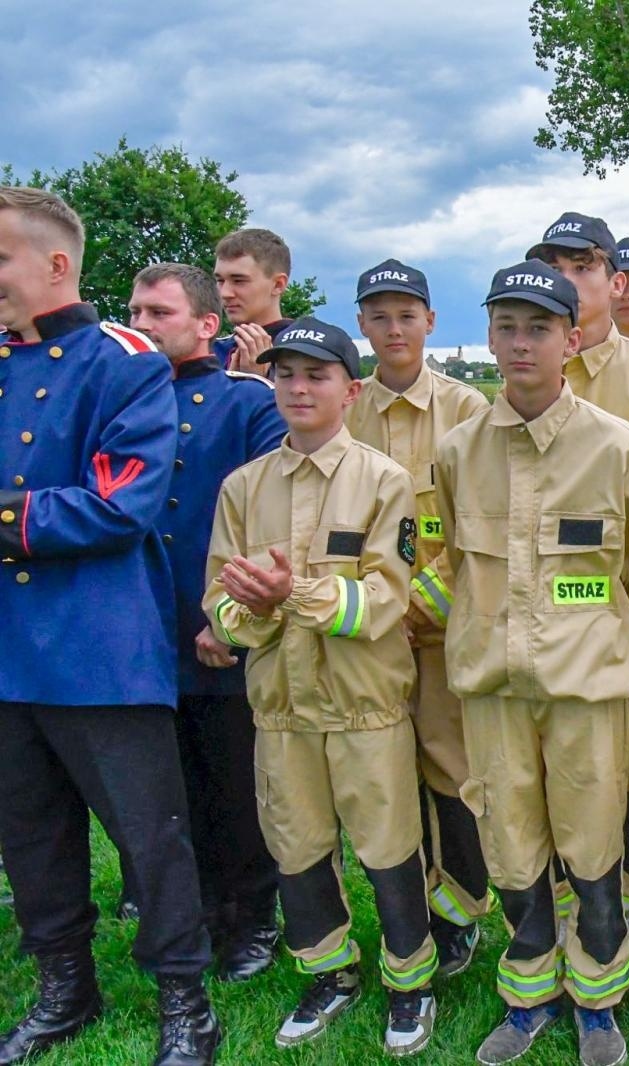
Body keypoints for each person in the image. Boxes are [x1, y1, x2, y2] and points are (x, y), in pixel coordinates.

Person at [0, 186, 218, 1066]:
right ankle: (66, 986)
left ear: (55, 264)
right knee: (31, 836)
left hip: (98, 648)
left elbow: (119, 502)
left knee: (150, 836)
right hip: (8, 651)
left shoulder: (124, 360)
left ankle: (184, 1002)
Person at [438, 260, 629, 1066]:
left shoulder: (619, 449)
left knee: (592, 837)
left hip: (585, 684)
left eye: (539, 327)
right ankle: (528, 990)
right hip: (493, 684)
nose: (521, 342)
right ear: (490, 338)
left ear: (572, 339)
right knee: (511, 835)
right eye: (507, 326)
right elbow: (453, 564)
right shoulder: (459, 452)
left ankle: (599, 996)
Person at [203, 318, 439, 1056]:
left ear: (351, 389)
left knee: (389, 844)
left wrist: (291, 596)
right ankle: (329, 971)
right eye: (284, 375)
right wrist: (250, 613)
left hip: (366, 707)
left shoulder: (383, 481)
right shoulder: (244, 488)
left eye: (317, 375)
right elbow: (220, 605)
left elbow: (384, 602)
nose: (298, 388)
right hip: (281, 711)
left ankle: (411, 980)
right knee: (297, 845)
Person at [528, 211, 629, 976]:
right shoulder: (523, 376)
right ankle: (573, 905)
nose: (568, 279)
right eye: (551, 265)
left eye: (583, 265)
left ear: (615, 282)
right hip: (553, 624)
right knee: (563, 771)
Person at [130, 263, 286, 983]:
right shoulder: (125, 401)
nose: (142, 325)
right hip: (138, 632)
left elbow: (269, 511)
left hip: (217, 633)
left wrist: (227, 616)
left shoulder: (243, 402)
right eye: (135, 312)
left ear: (206, 325)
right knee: (166, 791)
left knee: (233, 787)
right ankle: (191, 914)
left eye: (158, 313)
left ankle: (252, 920)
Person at [347, 258, 494, 979]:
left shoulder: (467, 410)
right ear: (362, 325)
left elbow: (478, 526)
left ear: (431, 322)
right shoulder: (342, 409)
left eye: (407, 314)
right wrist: (372, 610)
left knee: (450, 769)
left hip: (438, 634)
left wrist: (412, 607)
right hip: (360, 639)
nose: (394, 327)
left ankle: (461, 909)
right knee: (379, 777)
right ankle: (404, 917)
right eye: (379, 315)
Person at [211, 227, 296, 375]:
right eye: (220, 280)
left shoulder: (309, 353)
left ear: (278, 285)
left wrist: (259, 383)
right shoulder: (210, 353)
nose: (225, 293)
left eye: (239, 281)